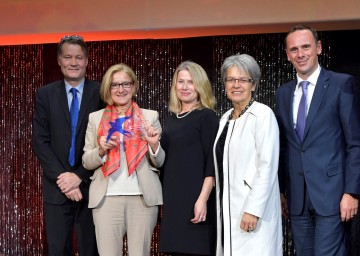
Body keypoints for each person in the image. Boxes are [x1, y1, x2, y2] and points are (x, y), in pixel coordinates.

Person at [276, 24, 360, 255]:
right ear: (287, 54)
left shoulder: (341, 84)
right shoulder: (283, 93)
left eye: (306, 47)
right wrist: (282, 190)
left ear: (319, 48)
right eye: (294, 49)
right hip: (297, 198)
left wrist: (352, 192)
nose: (300, 54)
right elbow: (285, 147)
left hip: (333, 196)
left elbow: (355, 142)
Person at [82, 63, 163, 256]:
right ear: (108, 89)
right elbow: (87, 161)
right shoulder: (96, 118)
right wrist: (101, 150)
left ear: (134, 87)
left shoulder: (149, 117)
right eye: (115, 85)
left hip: (143, 199)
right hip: (106, 199)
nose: (121, 89)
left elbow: (159, 161)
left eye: (126, 84)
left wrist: (153, 145)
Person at [32, 35, 102, 256]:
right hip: (57, 187)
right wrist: (64, 179)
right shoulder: (45, 94)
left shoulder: (101, 93)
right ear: (59, 60)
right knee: (58, 249)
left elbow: (106, 142)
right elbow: (40, 141)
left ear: (87, 61)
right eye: (68, 57)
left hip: (92, 186)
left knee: (91, 249)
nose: (74, 63)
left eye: (79, 57)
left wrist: (79, 176)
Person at [213, 53, 282, 255]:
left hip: (252, 210)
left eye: (243, 80)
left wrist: (253, 209)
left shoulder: (262, 114)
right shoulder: (225, 118)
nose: (236, 85)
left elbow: (267, 166)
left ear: (253, 85)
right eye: (231, 79)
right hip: (228, 210)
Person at [153, 61, 218, 255]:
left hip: (196, 200)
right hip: (174, 202)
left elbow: (212, 163)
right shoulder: (172, 119)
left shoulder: (206, 117)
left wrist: (202, 200)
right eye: (180, 81)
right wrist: (153, 144)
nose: (185, 86)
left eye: (191, 82)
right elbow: (165, 161)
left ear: (200, 86)